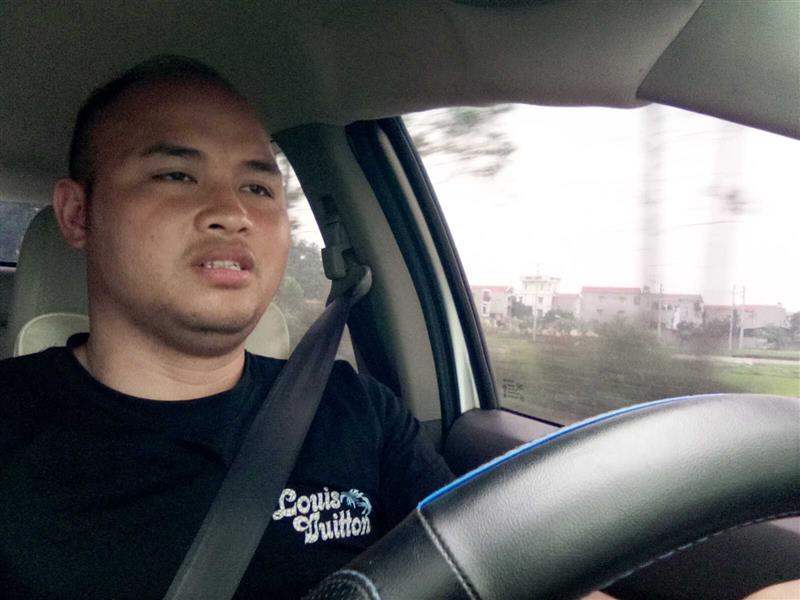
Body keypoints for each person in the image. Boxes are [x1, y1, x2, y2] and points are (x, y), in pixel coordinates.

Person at [0, 56, 453, 599]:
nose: (233, 212)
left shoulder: (358, 411)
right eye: (176, 175)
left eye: (258, 188)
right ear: (77, 214)